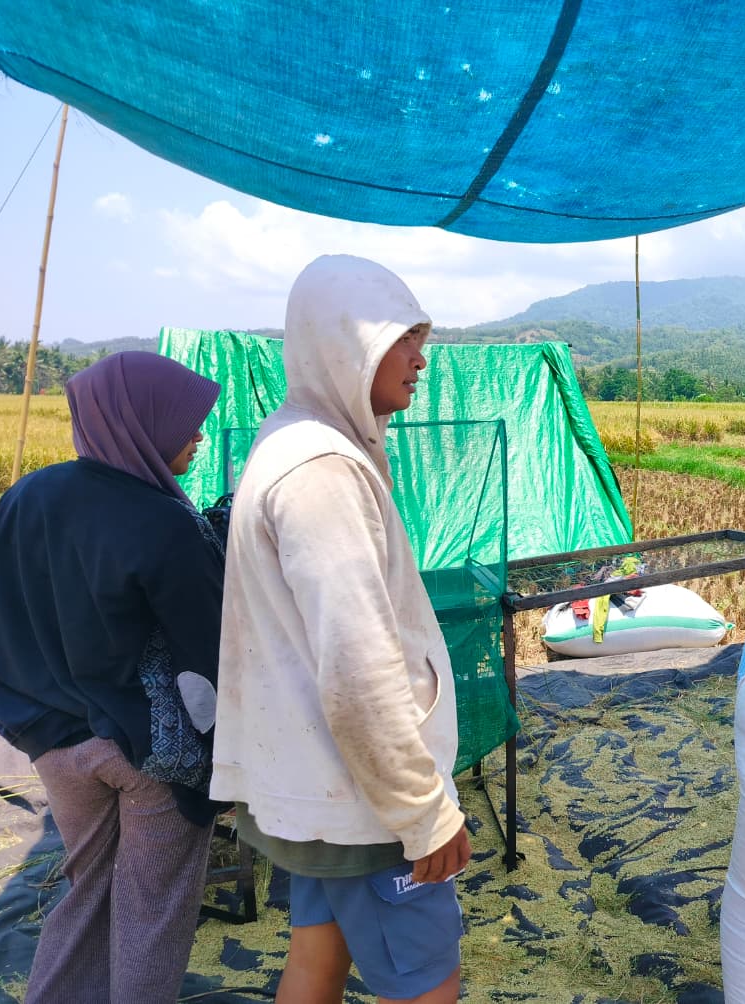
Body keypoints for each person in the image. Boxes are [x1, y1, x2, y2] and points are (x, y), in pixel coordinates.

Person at [211, 255, 472, 1004]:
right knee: (426, 983)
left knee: (316, 960)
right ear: (344, 346)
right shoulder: (323, 471)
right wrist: (423, 812)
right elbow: (359, 670)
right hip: (365, 801)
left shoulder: (295, 440)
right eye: (404, 339)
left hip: (323, 785)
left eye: (422, 338)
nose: (421, 359)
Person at [0, 353, 224, 1003]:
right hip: (148, 751)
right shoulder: (163, 521)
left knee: (85, 894)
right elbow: (208, 658)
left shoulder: (25, 497)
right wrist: (227, 760)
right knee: (151, 915)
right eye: (185, 422)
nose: (198, 435)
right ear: (142, 422)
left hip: (52, 744)